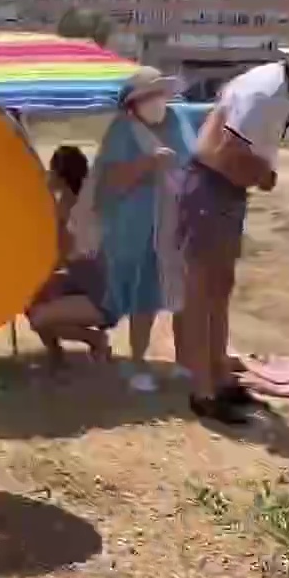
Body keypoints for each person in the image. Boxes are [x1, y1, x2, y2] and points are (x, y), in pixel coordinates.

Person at [178, 27, 289, 425]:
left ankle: (220, 378)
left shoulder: (282, 90)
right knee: (202, 292)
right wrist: (264, 176)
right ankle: (202, 390)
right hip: (210, 186)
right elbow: (218, 152)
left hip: (223, 190)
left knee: (218, 290)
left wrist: (256, 174)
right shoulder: (266, 94)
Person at [70, 67, 194, 393]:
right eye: (148, 97)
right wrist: (147, 164)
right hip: (133, 229)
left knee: (181, 293)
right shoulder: (123, 131)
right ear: (133, 104)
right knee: (141, 297)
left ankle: (185, 360)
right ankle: (137, 362)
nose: (156, 102)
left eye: (159, 94)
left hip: (175, 227)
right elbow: (108, 182)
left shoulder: (179, 122)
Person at [27, 145, 114, 372]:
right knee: (30, 298)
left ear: (60, 176)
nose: (48, 175)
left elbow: (58, 258)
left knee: (38, 316)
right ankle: (56, 356)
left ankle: (95, 340)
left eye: (51, 171)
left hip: (102, 295)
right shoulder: (73, 199)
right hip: (83, 282)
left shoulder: (76, 211)